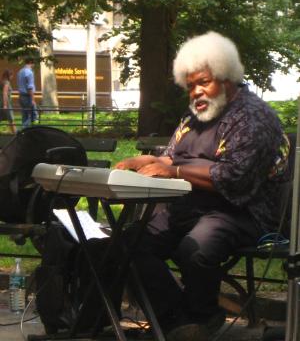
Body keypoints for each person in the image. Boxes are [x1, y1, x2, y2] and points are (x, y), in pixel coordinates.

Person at [115, 31, 289, 341]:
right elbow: (171, 158)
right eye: (190, 85)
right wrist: (144, 161)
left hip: (243, 211)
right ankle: (175, 320)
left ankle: (201, 316)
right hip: (189, 206)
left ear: (227, 78)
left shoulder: (253, 117)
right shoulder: (194, 117)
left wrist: (174, 170)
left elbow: (234, 177)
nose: (196, 92)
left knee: (196, 246)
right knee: (130, 243)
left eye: (203, 82)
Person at [17, 58, 38, 128]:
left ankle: (24, 134)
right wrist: (33, 99)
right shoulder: (29, 72)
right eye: (33, 63)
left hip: (21, 96)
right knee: (32, 116)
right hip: (27, 97)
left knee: (24, 115)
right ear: (30, 63)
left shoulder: (20, 71)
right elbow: (30, 87)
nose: (34, 65)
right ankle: (26, 131)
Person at [0, 69, 17, 134]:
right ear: (9, 75)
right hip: (6, 103)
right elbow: (5, 93)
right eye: (11, 75)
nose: (12, 77)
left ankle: (13, 132)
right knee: (11, 118)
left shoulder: (2, 82)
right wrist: (5, 105)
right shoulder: (7, 83)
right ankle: (15, 133)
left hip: (2, 102)